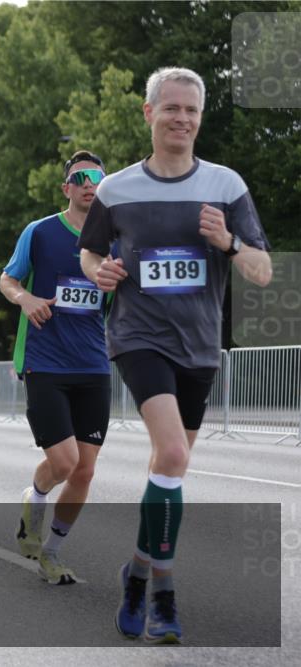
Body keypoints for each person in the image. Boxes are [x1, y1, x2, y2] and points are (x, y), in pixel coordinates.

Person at [78, 67, 272, 644]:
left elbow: (262, 271)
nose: (181, 119)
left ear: (199, 118)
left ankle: (136, 574)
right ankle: (162, 595)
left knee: (170, 468)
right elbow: (90, 254)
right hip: (138, 337)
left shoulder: (225, 185)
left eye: (191, 110)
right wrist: (101, 272)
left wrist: (228, 242)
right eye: (171, 108)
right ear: (150, 113)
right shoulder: (115, 190)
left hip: (199, 346)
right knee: (169, 452)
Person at [0, 150, 113, 585]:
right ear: (66, 187)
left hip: (93, 365)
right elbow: (8, 279)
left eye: (96, 177)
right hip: (44, 361)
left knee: (85, 470)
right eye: (80, 178)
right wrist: (25, 299)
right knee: (64, 463)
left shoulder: (117, 239)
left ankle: (52, 552)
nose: (89, 184)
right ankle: (36, 496)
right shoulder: (41, 232)